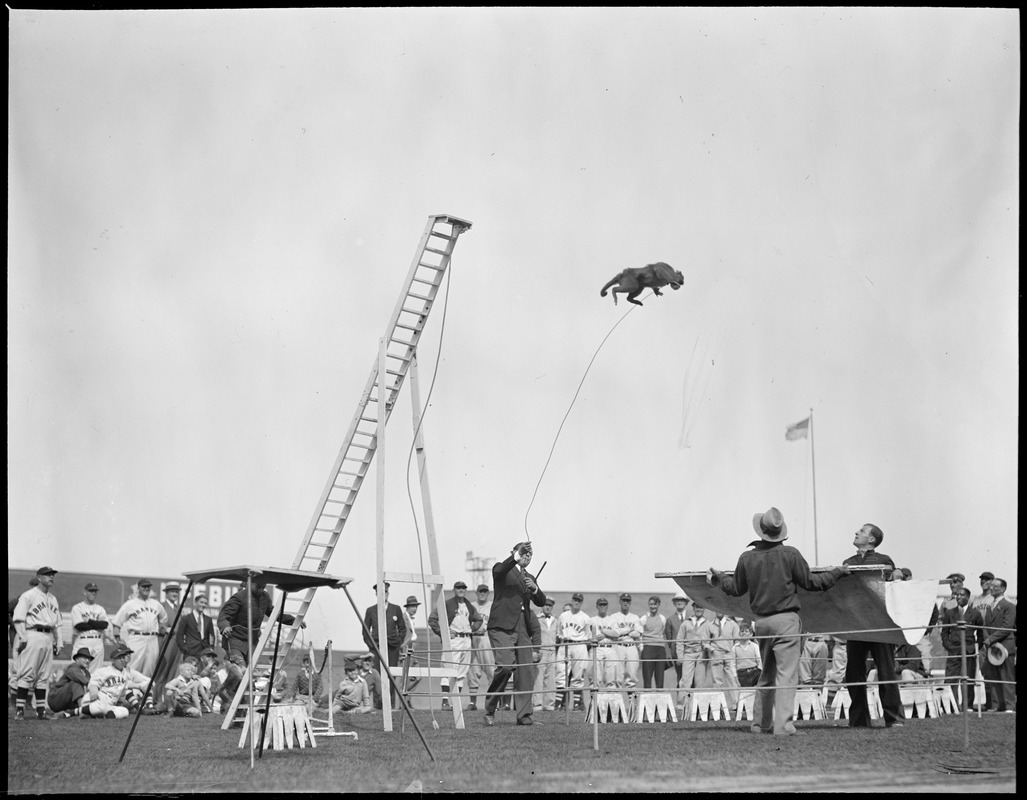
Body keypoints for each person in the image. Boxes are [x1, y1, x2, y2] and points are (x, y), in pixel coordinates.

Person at [709, 506, 849, 736]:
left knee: (767, 674)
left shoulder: (747, 558)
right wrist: (837, 572)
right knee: (786, 675)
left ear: (760, 531)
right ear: (780, 532)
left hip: (761, 623)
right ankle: (783, 726)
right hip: (786, 622)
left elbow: (734, 588)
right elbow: (812, 583)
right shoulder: (790, 554)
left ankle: (760, 724)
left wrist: (720, 577)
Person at [840, 523, 905, 729]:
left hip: (880, 623)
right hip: (856, 624)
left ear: (871, 540)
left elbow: (895, 578)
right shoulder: (847, 562)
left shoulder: (884, 560)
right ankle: (859, 720)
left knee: (886, 671)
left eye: (861, 531)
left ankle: (894, 719)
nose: (856, 532)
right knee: (853, 673)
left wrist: (898, 573)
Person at [483, 541, 547, 726]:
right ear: (515, 552)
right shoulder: (503, 569)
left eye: (530, 554)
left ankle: (524, 715)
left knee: (526, 671)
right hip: (502, 625)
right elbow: (500, 570)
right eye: (524, 553)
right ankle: (490, 708)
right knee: (505, 666)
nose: (527, 557)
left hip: (522, 627)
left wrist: (534, 588)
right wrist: (517, 556)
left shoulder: (530, 577)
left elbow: (541, 601)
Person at [12, 566, 63, 720]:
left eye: (53, 575)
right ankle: (20, 710)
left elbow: (58, 624)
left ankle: (40, 711)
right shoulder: (28, 596)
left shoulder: (53, 599)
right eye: (48, 575)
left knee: (44, 675)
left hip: (48, 636)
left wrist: (58, 641)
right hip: (32, 633)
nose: (51, 577)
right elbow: (18, 618)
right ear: (39, 577)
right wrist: (22, 636)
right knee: (27, 672)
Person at [218, 579, 302, 667]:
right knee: (240, 670)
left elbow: (275, 614)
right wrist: (225, 626)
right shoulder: (239, 597)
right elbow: (224, 615)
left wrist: (294, 621)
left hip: (252, 642)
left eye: (263, 587)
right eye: (258, 587)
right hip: (235, 640)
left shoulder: (265, 597)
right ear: (251, 583)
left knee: (249, 672)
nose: (260, 590)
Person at [429, 581, 483, 708]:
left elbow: (478, 619)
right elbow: (432, 619)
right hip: (453, 640)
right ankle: (445, 701)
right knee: (448, 670)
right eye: (458, 588)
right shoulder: (447, 604)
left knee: (462, 672)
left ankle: (456, 702)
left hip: (466, 639)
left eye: (463, 588)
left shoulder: (468, 605)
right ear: (454, 590)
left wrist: (472, 628)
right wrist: (444, 632)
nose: (461, 590)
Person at [112, 578, 166, 684]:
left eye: (148, 587)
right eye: (143, 586)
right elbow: (116, 623)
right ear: (138, 588)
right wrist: (118, 639)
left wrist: (160, 636)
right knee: (132, 667)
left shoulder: (156, 604)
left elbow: (164, 620)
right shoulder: (130, 604)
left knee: (149, 669)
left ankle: (145, 698)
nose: (146, 588)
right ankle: (130, 696)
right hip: (136, 637)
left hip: (152, 639)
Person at [939, 587, 981, 710]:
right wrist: (948, 646)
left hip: (969, 651)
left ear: (968, 597)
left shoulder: (975, 614)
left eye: (962, 595)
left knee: (968, 679)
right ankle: (951, 706)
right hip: (954, 650)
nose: (958, 597)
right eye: (957, 595)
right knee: (951, 678)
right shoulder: (950, 613)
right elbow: (944, 632)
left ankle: (967, 706)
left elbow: (981, 634)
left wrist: (975, 647)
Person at [979, 577, 1016, 713]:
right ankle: (998, 705)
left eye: (995, 586)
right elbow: (985, 626)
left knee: (1007, 677)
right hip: (992, 648)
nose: (991, 588)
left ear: (1003, 589)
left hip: (1005, 647)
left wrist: (990, 640)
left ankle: (1010, 706)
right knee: (994, 677)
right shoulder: (990, 607)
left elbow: (1007, 627)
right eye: (991, 586)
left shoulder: (1009, 606)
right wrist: (988, 640)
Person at [85, 644, 150, 719]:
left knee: (125, 712)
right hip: (100, 699)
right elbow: (94, 682)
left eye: (123, 657)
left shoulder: (125, 672)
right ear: (112, 660)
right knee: (98, 708)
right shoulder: (105, 670)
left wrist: (119, 705)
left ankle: (105, 715)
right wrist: (94, 689)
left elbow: (123, 692)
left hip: (112, 703)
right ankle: (75, 711)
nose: (122, 660)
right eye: (119, 658)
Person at [675, 599, 712, 717]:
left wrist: (708, 650)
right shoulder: (686, 623)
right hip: (688, 653)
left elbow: (712, 640)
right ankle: (682, 704)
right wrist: (680, 656)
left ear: (704, 609)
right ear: (693, 608)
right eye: (697, 607)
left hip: (701, 654)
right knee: (685, 680)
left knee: (699, 681)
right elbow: (679, 640)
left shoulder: (708, 624)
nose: (699, 610)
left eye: (701, 608)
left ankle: (698, 706)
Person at [152, 583, 185, 711]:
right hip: (166, 641)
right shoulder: (162, 606)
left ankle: (167, 702)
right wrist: (166, 629)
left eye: (176, 592)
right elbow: (157, 624)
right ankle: (156, 701)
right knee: (161, 672)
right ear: (166, 593)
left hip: (177, 642)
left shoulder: (177, 608)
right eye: (172, 591)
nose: (175, 594)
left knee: (172, 673)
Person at [557, 592, 592, 711]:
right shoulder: (563, 616)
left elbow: (588, 636)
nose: (576, 602)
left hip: (579, 645)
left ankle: (577, 705)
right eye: (575, 600)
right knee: (561, 674)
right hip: (565, 644)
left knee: (577, 676)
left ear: (581, 603)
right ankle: (558, 705)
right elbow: (559, 632)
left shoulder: (586, 618)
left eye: (579, 600)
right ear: (571, 600)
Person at [361, 583, 407, 673]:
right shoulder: (370, 610)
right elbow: (365, 631)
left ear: (388, 593)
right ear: (376, 594)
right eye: (380, 592)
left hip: (393, 648)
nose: (383, 595)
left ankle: (391, 688)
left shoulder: (396, 609)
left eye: (385, 592)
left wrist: (398, 642)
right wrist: (371, 645)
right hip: (376, 647)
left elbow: (402, 628)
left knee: (391, 673)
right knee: (376, 673)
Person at [601, 593, 642, 694]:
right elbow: (613, 633)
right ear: (620, 602)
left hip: (631, 647)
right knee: (617, 677)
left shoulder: (635, 617)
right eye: (623, 600)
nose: (625, 603)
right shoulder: (614, 617)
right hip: (618, 647)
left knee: (632, 676)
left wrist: (621, 632)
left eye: (627, 601)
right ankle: (616, 706)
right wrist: (628, 631)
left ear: (630, 603)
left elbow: (638, 632)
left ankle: (632, 707)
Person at [70, 582, 110, 675]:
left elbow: (104, 625)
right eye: (91, 591)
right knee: (77, 672)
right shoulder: (77, 607)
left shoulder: (100, 608)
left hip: (97, 642)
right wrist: (97, 624)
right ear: (85, 592)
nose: (93, 593)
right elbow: (79, 626)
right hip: (83, 640)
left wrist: (88, 621)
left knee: (95, 674)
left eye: (95, 591)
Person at [468, 584, 494, 710]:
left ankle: (492, 702)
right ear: (476, 592)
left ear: (488, 593)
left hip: (486, 638)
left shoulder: (492, 606)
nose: (482, 593)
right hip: (472, 638)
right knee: (473, 671)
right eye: (480, 591)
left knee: (491, 671)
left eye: (485, 591)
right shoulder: (471, 605)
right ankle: (473, 702)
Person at [48, 647, 93, 719]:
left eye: (89, 659)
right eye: (84, 658)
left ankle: (67, 713)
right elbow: (86, 682)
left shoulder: (87, 673)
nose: (87, 660)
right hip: (55, 699)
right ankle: (83, 711)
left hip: (68, 701)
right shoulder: (73, 668)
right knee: (76, 684)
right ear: (77, 659)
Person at [533, 598, 559, 712]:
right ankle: (537, 704)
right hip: (541, 651)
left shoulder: (556, 620)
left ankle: (549, 704)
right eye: (546, 605)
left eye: (550, 605)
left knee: (551, 679)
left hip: (552, 651)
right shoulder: (537, 619)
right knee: (538, 679)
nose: (548, 607)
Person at [663, 593, 689, 708]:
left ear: (686, 603)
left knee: (690, 678)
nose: (680, 602)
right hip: (677, 654)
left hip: (690, 652)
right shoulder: (670, 620)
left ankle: (690, 703)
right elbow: (668, 639)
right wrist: (670, 655)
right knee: (680, 678)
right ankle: (680, 703)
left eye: (682, 600)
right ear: (674, 603)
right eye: (677, 600)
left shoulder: (691, 618)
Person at [639, 596, 669, 690]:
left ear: (658, 605)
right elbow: (639, 635)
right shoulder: (643, 619)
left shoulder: (662, 618)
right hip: (648, 648)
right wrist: (642, 648)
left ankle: (659, 698)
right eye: (651, 604)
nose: (653, 606)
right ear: (648, 605)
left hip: (660, 649)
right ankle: (647, 698)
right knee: (647, 677)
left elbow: (663, 633)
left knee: (660, 676)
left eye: (655, 604)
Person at [590, 598, 616, 691]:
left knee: (611, 679)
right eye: (600, 604)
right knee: (595, 679)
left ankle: (611, 704)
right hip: (598, 649)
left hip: (610, 648)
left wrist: (604, 632)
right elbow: (595, 637)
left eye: (604, 604)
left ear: (607, 606)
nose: (602, 606)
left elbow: (616, 634)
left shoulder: (612, 619)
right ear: (597, 606)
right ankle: (593, 703)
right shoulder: (592, 620)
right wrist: (609, 633)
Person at [733, 625, 762, 689]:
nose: (744, 633)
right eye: (742, 631)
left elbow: (759, 660)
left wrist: (759, 671)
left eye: (746, 631)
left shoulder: (755, 646)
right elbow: (732, 665)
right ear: (739, 634)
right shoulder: (735, 648)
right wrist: (736, 679)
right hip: (742, 674)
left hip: (755, 672)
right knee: (746, 693)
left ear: (751, 634)